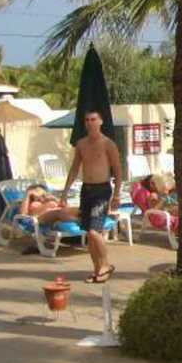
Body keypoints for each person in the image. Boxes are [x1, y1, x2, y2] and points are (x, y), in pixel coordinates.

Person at [59, 110, 121, 283]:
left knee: (94, 231)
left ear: (100, 122)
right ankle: (97, 270)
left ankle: (106, 265)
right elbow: (74, 169)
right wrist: (64, 193)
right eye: (87, 120)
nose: (90, 122)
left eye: (93, 119)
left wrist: (116, 195)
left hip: (102, 190)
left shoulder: (108, 143)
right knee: (89, 232)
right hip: (86, 190)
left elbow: (118, 169)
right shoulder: (81, 144)